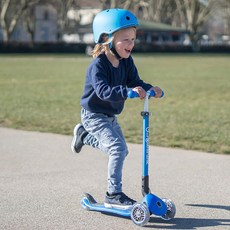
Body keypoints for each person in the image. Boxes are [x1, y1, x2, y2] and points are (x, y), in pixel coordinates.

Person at [71, 8, 163, 210]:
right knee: (118, 149)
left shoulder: (126, 62)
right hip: (93, 115)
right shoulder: (98, 66)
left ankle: (83, 137)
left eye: (133, 39)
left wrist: (150, 89)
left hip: (110, 114)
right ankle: (113, 194)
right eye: (125, 40)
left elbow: (135, 81)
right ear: (106, 38)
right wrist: (127, 92)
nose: (131, 44)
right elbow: (103, 91)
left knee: (121, 150)